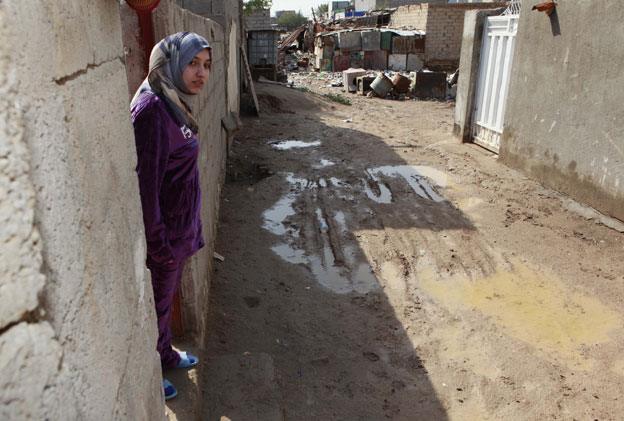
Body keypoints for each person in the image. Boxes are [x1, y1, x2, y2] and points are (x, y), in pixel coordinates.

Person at [130, 32, 212, 400]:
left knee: (165, 302)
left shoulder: (172, 101)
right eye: (193, 63)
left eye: (206, 65)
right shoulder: (152, 111)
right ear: (170, 63)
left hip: (178, 231)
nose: (201, 73)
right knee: (156, 305)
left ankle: (165, 353)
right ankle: (150, 376)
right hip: (163, 238)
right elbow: (145, 186)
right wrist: (158, 241)